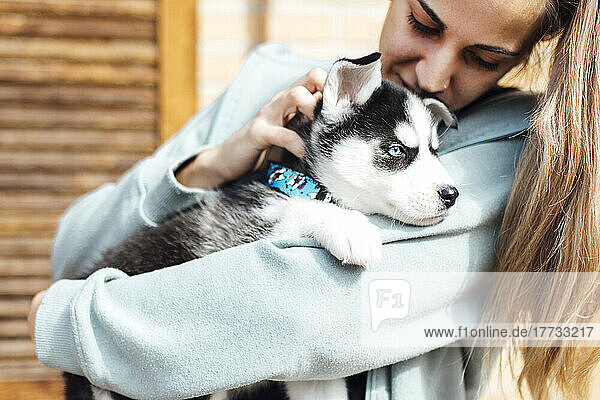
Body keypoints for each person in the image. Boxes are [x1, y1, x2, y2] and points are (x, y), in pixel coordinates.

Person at [27, 0, 599, 399]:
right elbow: (76, 252)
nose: (433, 75)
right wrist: (210, 166)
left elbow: (307, 306)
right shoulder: (270, 80)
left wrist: (75, 322)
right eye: (423, 23)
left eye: (484, 58)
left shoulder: (518, 146)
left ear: (524, 55)